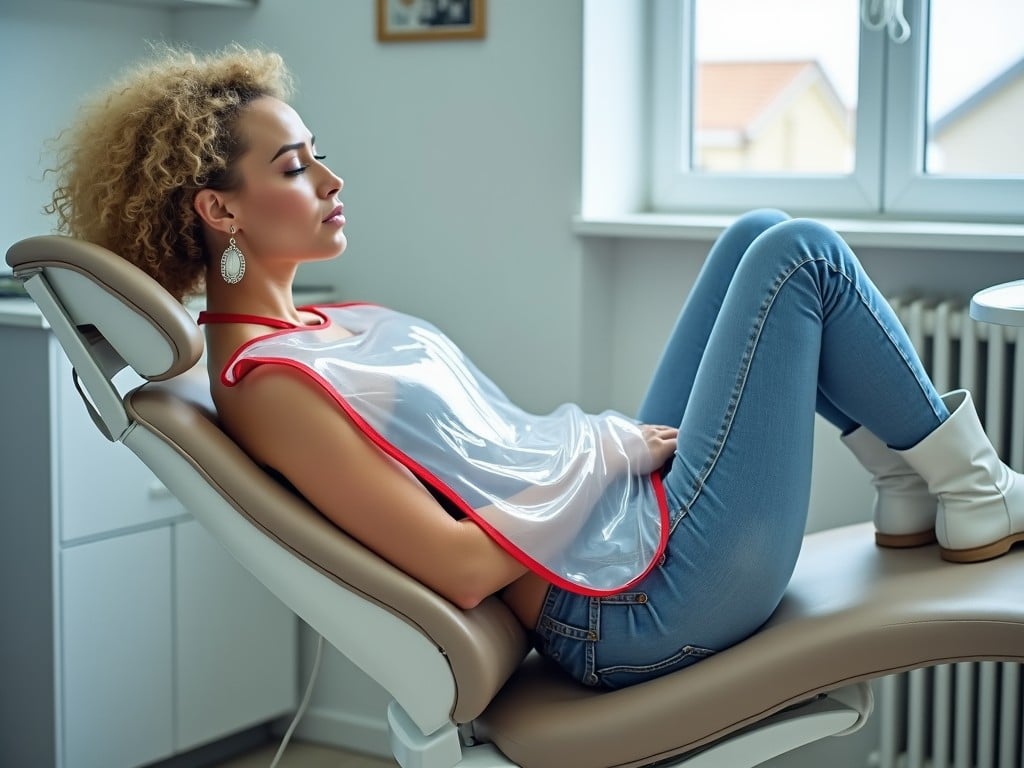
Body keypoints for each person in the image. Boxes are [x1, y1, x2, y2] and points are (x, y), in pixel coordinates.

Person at [46, 45, 1024, 690]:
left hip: (618, 543)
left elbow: (492, 456)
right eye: (297, 166)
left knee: (755, 237)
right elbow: (461, 566)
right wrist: (601, 449)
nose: (334, 181)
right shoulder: (268, 389)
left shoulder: (319, 325)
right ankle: (971, 485)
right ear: (219, 210)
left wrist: (602, 458)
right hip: (633, 609)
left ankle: (910, 478)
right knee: (798, 255)